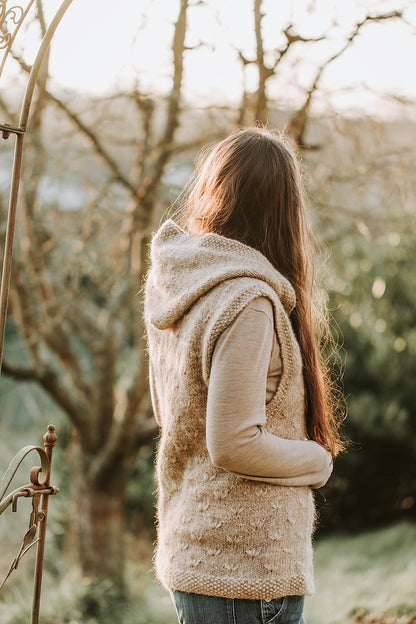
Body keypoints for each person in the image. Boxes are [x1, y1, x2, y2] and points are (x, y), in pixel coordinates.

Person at [144, 127, 344, 624]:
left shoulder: (184, 285)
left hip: (201, 553)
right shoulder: (246, 302)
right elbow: (233, 442)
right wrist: (315, 460)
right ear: (285, 209)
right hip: (243, 573)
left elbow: (171, 414)